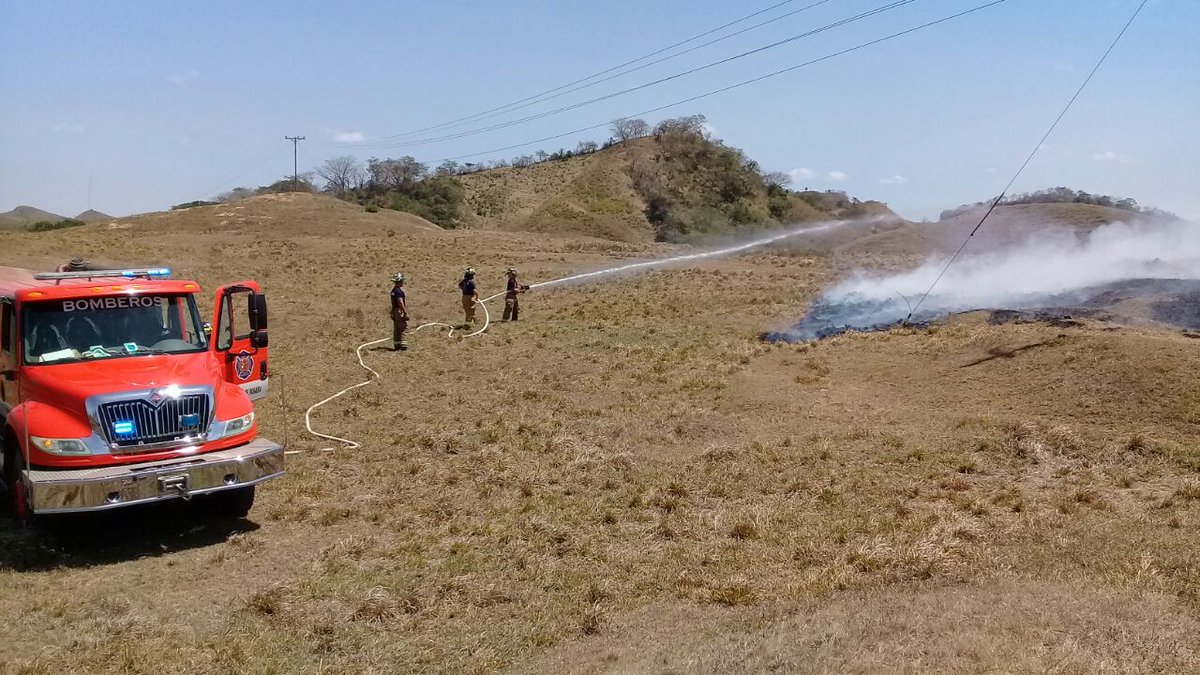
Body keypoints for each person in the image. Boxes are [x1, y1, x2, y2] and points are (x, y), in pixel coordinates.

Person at [390, 273, 409, 351]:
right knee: (403, 327)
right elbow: (400, 302)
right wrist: (405, 312)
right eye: (402, 281)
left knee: (397, 329)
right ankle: (403, 346)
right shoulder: (399, 292)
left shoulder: (393, 291)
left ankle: (397, 345)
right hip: (399, 310)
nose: (402, 282)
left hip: (394, 311)